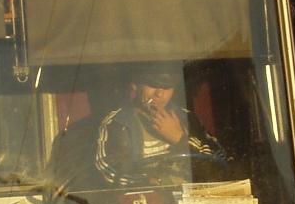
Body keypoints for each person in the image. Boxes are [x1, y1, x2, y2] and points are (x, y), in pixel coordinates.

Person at [95, 60, 226, 187]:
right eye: (153, 84)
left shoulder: (188, 118)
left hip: (190, 200)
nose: (159, 93)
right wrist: (150, 182)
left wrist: (179, 139)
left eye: (166, 87)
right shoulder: (117, 123)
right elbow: (110, 170)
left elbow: (216, 165)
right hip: (148, 203)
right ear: (135, 84)